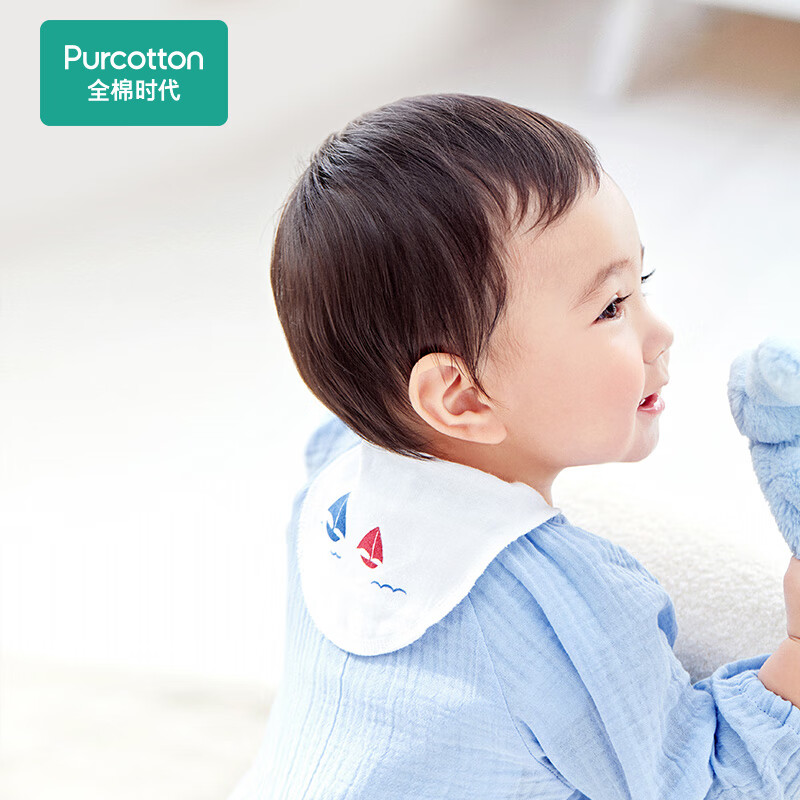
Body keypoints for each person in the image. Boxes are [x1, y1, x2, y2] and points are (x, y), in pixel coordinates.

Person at [229, 94, 800, 799]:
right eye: (612, 307)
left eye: (641, 285)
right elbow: (706, 786)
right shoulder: (567, 610)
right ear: (461, 397)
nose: (661, 333)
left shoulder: (332, 480)